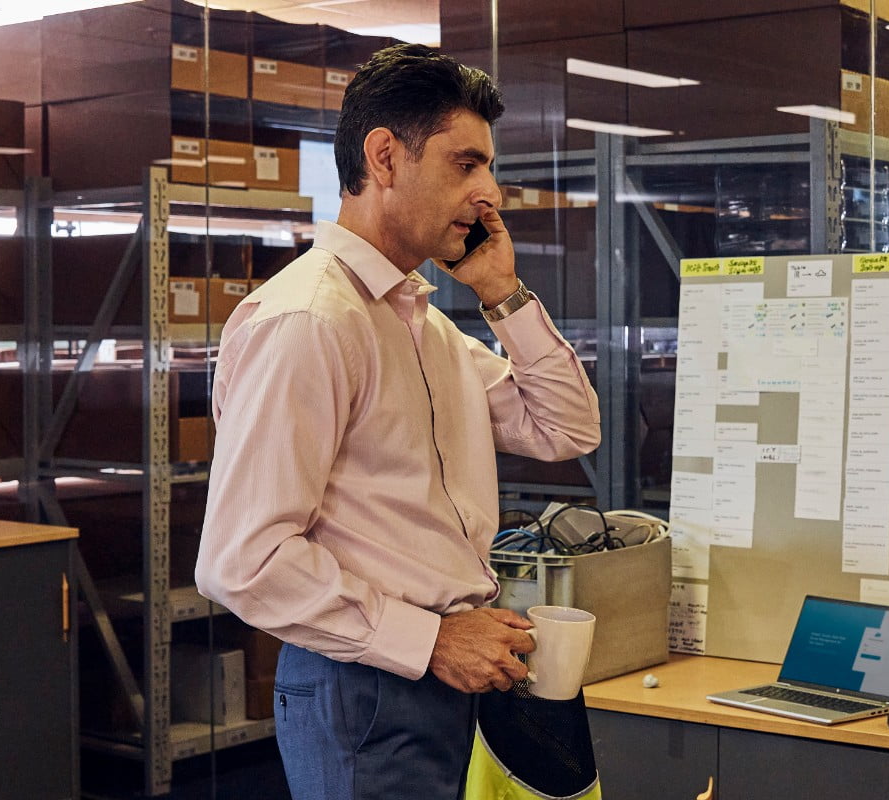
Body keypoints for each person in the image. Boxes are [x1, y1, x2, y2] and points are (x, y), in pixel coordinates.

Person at [194, 43, 603, 799]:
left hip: (443, 675)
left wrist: (504, 295)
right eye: (465, 164)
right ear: (384, 157)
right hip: (367, 683)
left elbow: (566, 429)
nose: (490, 194)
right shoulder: (311, 321)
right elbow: (241, 561)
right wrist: (434, 638)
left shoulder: (421, 327)